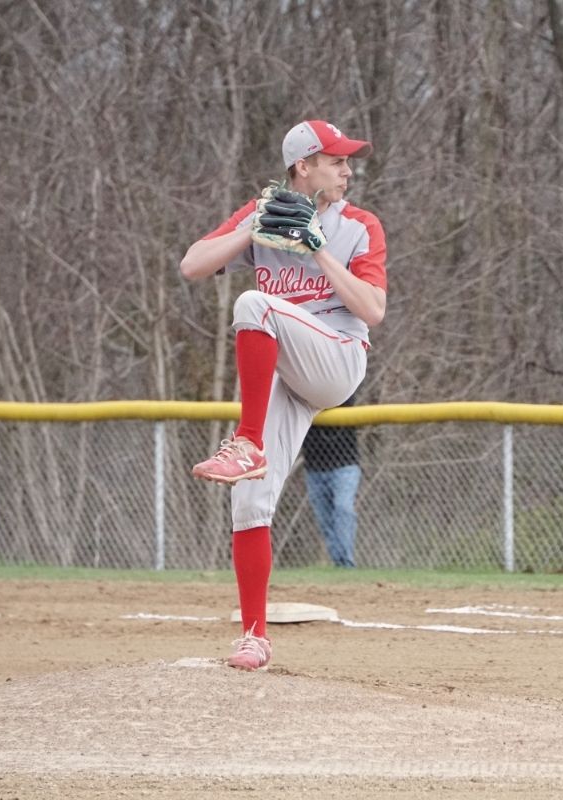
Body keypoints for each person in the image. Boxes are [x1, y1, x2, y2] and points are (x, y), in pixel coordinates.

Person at [179, 119, 387, 670]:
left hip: (338, 357)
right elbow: (191, 265)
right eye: (335, 160)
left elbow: (372, 311)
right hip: (287, 373)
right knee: (248, 500)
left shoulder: (359, 226)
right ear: (303, 167)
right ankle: (254, 636)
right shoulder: (265, 214)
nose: (347, 169)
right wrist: (253, 229)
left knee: (254, 304)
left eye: (347, 161)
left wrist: (319, 251)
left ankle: (246, 440)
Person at [301, 391, 363, 568]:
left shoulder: (342, 386)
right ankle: (339, 564)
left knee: (344, 509)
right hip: (314, 468)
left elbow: (345, 397)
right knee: (325, 520)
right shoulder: (300, 389)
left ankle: (347, 563)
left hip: (345, 465)